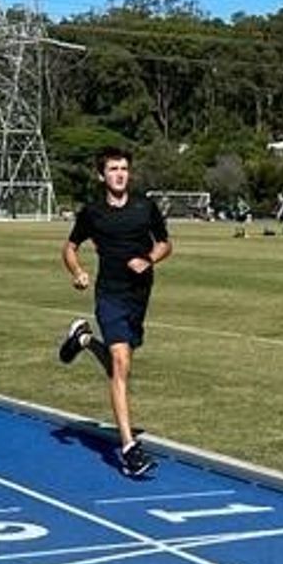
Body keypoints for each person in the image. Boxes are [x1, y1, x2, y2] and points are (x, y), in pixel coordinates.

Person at [58, 146, 172, 479]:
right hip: (110, 294)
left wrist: (149, 258)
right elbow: (70, 248)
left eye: (123, 168)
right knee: (120, 363)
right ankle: (129, 448)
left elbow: (165, 243)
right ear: (101, 175)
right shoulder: (92, 212)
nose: (120, 174)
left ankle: (84, 339)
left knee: (118, 365)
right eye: (113, 169)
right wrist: (77, 271)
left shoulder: (144, 207)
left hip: (139, 295)